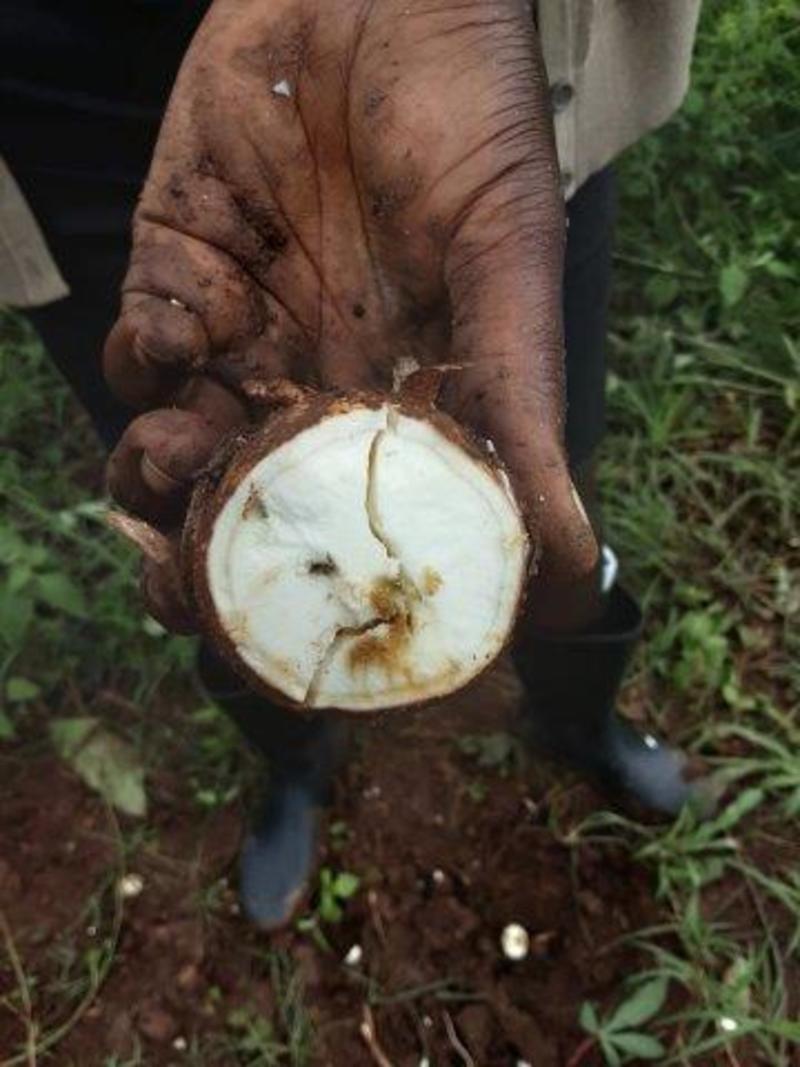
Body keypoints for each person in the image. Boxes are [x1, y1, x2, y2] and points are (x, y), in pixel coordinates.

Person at [1, 0, 704, 929]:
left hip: (432, 77)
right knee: (191, 507)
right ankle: (297, 764)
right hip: (54, 105)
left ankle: (580, 720)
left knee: (547, 481)